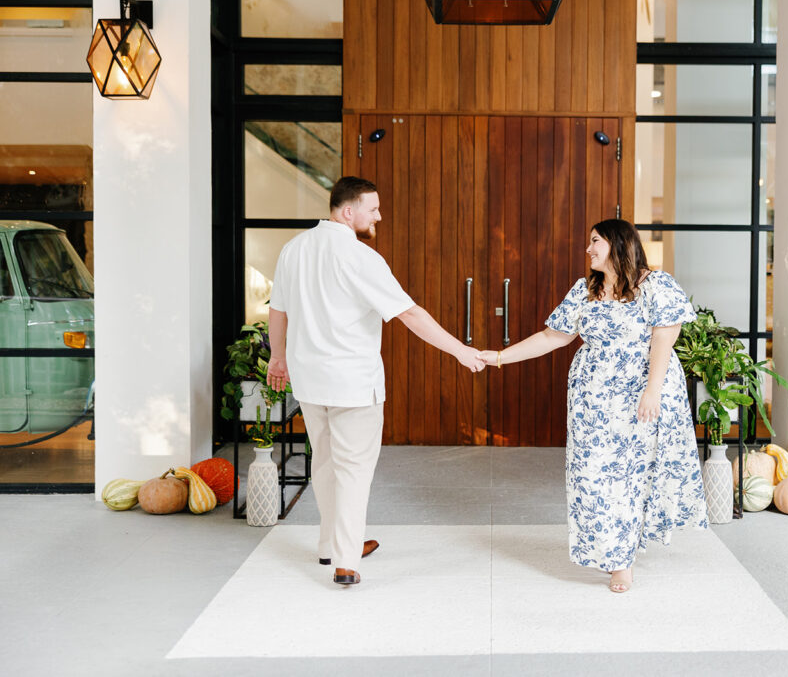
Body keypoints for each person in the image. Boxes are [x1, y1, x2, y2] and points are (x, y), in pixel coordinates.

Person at [266, 176, 485, 587]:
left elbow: (278, 311)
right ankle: (346, 561)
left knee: (327, 464)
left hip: (310, 381)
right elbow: (410, 314)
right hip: (352, 383)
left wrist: (278, 357)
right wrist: (460, 350)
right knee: (352, 470)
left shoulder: (293, 249)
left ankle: (330, 545)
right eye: (373, 209)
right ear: (348, 211)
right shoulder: (360, 257)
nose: (379, 216)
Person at [479, 219, 707, 593]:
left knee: (631, 477)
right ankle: (610, 549)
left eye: (595, 242)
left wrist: (651, 391)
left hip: (640, 395)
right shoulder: (585, 290)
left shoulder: (656, 286)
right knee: (593, 475)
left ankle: (622, 562)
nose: (589, 249)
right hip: (592, 400)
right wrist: (500, 357)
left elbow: (665, 338)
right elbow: (553, 336)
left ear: (618, 244)